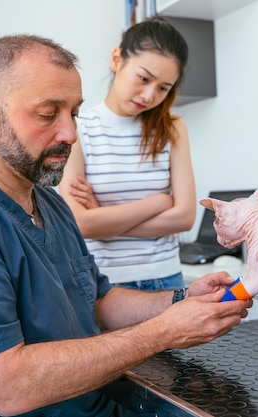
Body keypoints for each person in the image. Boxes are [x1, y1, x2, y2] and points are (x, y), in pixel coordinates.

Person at [0, 34, 250, 416]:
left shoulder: (50, 203)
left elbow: (97, 302)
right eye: (48, 114)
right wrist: (165, 330)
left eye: (75, 114)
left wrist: (183, 300)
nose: (70, 134)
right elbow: (8, 388)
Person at [58, 17, 195, 291]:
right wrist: (157, 202)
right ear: (117, 59)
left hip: (166, 278)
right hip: (104, 284)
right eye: (144, 78)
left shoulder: (173, 129)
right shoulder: (78, 129)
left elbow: (184, 217)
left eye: (163, 88)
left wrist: (103, 217)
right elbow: (81, 223)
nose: (148, 95)